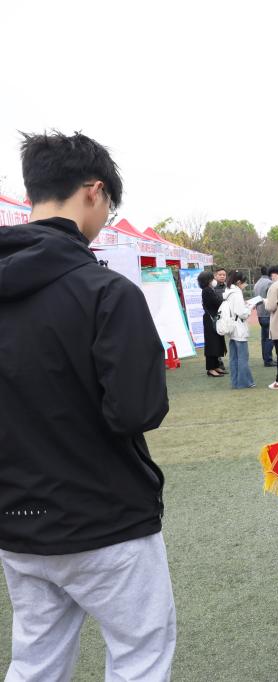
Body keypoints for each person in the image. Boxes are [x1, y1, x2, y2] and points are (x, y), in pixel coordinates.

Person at [0, 131, 175, 680]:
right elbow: (138, 410)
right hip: (106, 515)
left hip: (16, 520)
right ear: (94, 191)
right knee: (140, 658)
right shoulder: (106, 292)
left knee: (35, 661)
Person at [223, 270, 256, 389]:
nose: (245, 285)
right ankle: (245, 382)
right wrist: (250, 308)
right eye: (244, 282)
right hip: (239, 328)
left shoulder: (228, 292)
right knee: (242, 358)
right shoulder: (236, 293)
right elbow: (242, 313)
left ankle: (236, 382)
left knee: (234, 358)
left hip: (232, 328)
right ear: (238, 282)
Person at [199, 270, 228, 377]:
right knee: (212, 344)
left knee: (217, 343)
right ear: (208, 280)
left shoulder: (209, 289)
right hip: (210, 320)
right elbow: (217, 303)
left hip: (214, 319)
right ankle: (210, 368)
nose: (214, 280)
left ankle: (216, 366)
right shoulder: (207, 290)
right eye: (212, 278)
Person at [253, 266, 275, 367]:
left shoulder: (257, 283)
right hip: (267, 313)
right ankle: (268, 360)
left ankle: (266, 358)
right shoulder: (270, 283)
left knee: (264, 338)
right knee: (270, 337)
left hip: (260, 313)